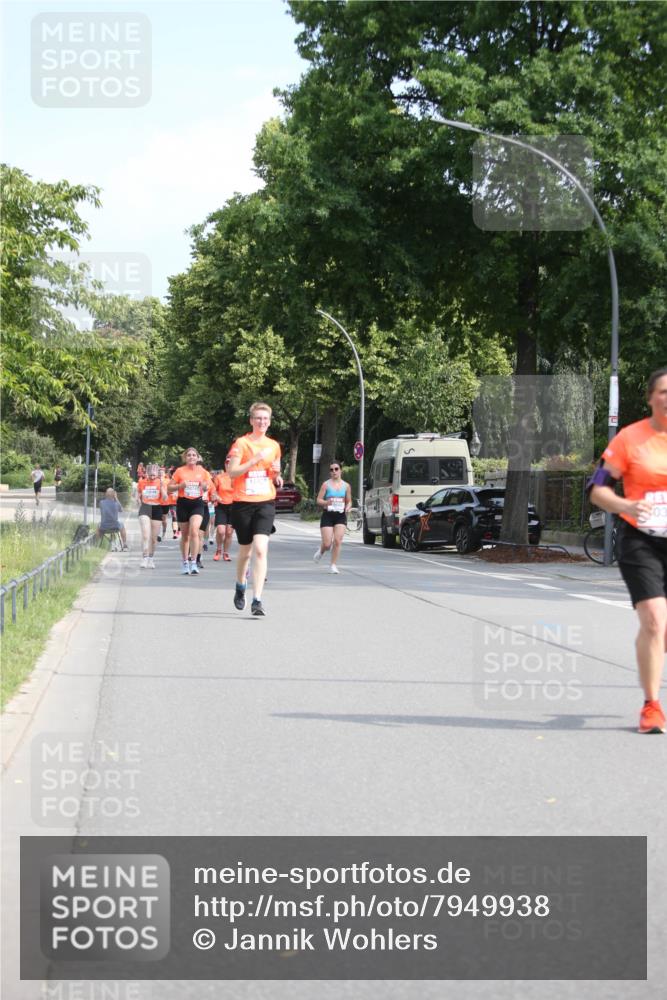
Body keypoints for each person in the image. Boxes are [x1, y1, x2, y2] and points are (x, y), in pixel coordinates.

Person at [589, 366, 667, 734]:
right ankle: (652, 706)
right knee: (653, 618)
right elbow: (597, 489)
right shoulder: (629, 439)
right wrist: (626, 506)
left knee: (660, 630)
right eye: (663, 392)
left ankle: (652, 639)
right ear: (651, 398)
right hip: (641, 538)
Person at [227, 402, 283, 616]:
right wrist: (253, 460)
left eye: (265, 419)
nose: (262, 422)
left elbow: (275, 474)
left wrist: (277, 475)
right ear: (251, 420)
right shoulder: (241, 444)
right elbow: (232, 472)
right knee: (245, 551)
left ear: (269, 422)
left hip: (265, 502)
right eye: (258, 418)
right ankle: (240, 586)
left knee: (261, 549)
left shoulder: (274, 446)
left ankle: (257, 599)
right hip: (243, 502)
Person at [168, 448, 212, 575]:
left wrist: (204, 486)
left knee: (194, 531)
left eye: (194, 455)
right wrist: (179, 486)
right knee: (185, 535)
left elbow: (207, 485)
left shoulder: (203, 472)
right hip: (183, 503)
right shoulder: (180, 471)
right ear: (185, 458)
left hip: (197, 503)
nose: (191, 457)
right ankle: (185, 562)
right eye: (189, 455)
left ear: (197, 458)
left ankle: (194, 562)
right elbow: (169, 488)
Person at [314, 460, 352, 574]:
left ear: (340, 470)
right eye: (331, 470)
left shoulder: (346, 486)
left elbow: (349, 501)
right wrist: (326, 502)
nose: (334, 471)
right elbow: (318, 500)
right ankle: (321, 551)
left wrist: (348, 507)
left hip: (340, 515)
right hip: (328, 515)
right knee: (327, 543)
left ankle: (333, 565)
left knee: (338, 540)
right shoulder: (326, 484)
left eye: (336, 469)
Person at [137, 463, 167, 568]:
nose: (152, 477)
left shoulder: (160, 482)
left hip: (156, 508)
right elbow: (138, 494)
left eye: (154, 475)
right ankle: (144, 557)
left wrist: (163, 491)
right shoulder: (142, 482)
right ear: (147, 474)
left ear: (157, 474)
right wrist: (137, 499)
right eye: (150, 475)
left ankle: (151, 558)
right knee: (146, 535)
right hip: (145, 508)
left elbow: (164, 497)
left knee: (153, 539)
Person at [211, 457, 235, 562]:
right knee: (221, 531)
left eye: (231, 463)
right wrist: (216, 496)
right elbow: (213, 490)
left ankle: (226, 553)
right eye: (227, 463)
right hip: (221, 506)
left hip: (234, 507)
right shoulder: (219, 477)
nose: (229, 465)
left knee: (229, 532)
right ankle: (218, 550)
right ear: (225, 465)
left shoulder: (238, 477)